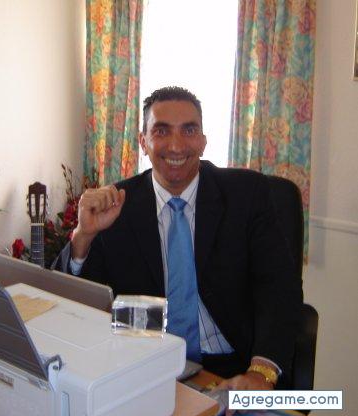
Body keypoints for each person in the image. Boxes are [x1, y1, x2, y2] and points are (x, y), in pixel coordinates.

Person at [53, 86, 303, 391]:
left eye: (189, 130)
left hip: (235, 367)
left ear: (203, 141)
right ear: (143, 142)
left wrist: (261, 373)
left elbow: (279, 288)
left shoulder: (246, 195)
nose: (176, 145)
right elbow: (76, 308)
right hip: (144, 366)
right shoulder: (118, 205)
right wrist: (84, 236)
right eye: (161, 131)